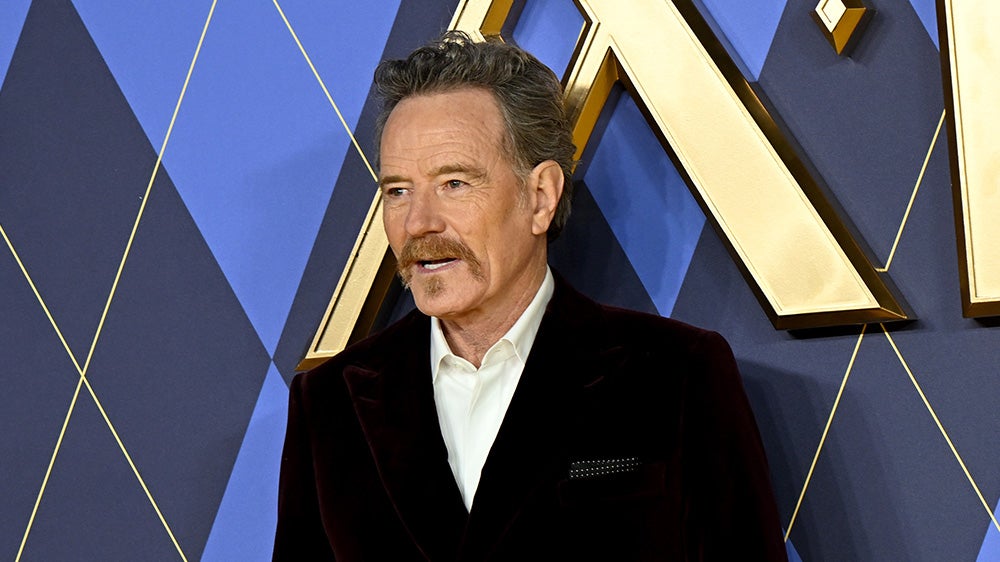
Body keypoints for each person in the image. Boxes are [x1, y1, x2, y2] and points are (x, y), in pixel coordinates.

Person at [273, 31, 787, 561]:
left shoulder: (677, 373)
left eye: (454, 184)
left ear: (541, 197)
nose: (419, 223)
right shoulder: (329, 401)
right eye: (398, 191)